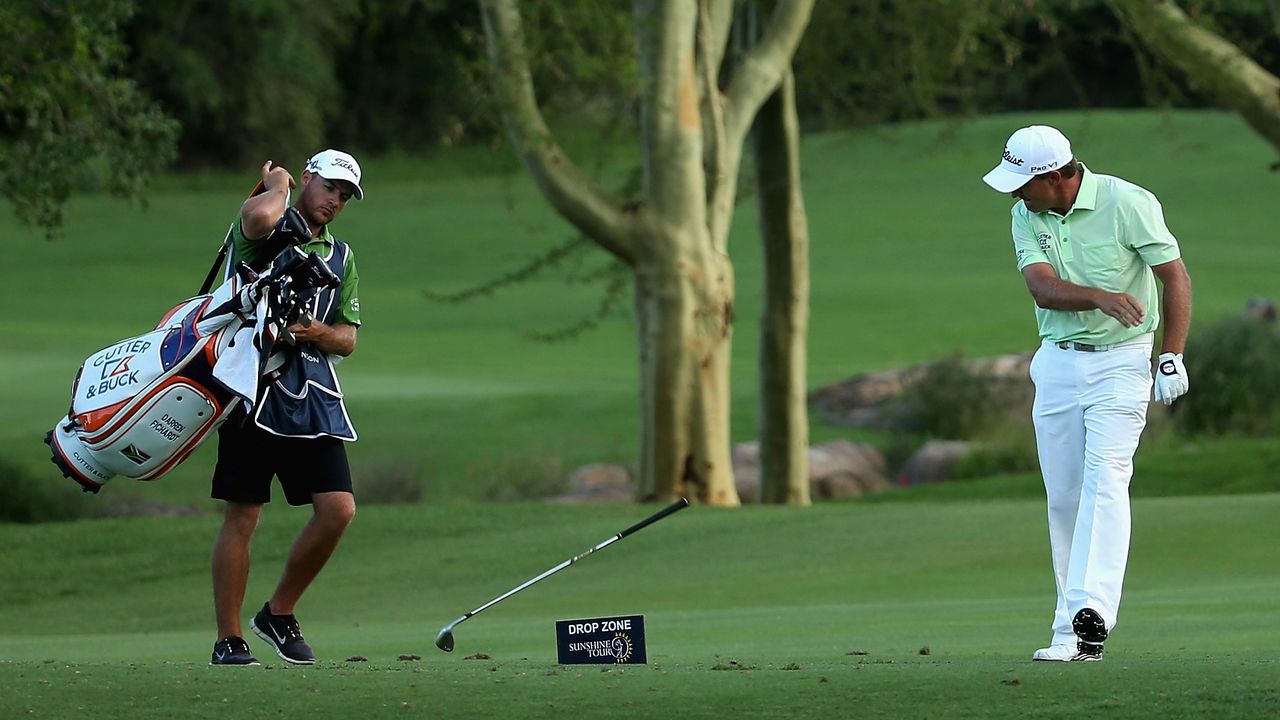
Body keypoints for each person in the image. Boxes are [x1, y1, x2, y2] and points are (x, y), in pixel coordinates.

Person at [982, 125, 1192, 662]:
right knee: (1065, 497)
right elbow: (1042, 288)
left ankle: (1089, 616)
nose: (1013, 193)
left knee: (1106, 479)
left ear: (1054, 177)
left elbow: (1174, 277)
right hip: (1056, 364)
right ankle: (1067, 632)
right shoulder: (1024, 214)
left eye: (1021, 183)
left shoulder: (1127, 202)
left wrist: (1170, 353)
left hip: (1122, 363)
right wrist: (1098, 296)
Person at [209, 149, 365, 666]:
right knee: (244, 514)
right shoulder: (264, 224)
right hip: (249, 386)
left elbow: (347, 338)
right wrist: (276, 182)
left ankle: (278, 613)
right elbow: (257, 216)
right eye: (329, 187)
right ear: (308, 179)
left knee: (338, 509)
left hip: (312, 396)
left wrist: (319, 333)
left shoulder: (341, 256)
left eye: (344, 195)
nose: (335, 200)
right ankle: (229, 639)